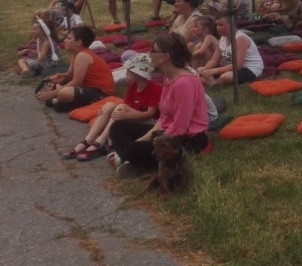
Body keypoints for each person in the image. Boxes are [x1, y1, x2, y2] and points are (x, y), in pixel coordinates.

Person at [108, 32, 209, 174]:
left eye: (153, 51)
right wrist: (146, 137)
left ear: (166, 57)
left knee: (133, 149)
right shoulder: (168, 78)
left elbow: (180, 127)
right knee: (117, 127)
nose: (149, 54)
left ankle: (139, 162)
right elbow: (163, 118)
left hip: (187, 138)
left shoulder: (184, 83)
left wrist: (151, 142)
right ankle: (135, 161)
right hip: (166, 131)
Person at [64, 53, 162, 161]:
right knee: (109, 105)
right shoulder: (133, 86)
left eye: (129, 71)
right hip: (135, 117)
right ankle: (88, 140)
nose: (126, 73)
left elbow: (150, 114)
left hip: (150, 122)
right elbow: (127, 105)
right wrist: (114, 112)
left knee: (121, 107)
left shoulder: (155, 89)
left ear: (138, 74)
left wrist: (125, 115)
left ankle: (100, 143)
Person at [34, 26, 115, 110]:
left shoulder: (83, 55)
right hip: (88, 89)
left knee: (64, 93)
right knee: (51, 82)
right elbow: (69, 75)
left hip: (102, 93)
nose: (65, 40)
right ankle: (59, 101)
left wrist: (52, 93)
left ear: (78, 42)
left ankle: (57, 100)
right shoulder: (77, 54)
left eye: (69, 38)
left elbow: (77, 82)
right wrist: (60, 77)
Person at [198, 16, 264, 86]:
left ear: (231, 25)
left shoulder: (240, 39)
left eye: (221, 25)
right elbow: (214, 60)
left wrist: (213, 71)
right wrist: (205, 69)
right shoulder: (222, 39)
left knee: (226, 77)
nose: (217, 27)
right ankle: (212, 82)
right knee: (199, 69)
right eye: (216, 25)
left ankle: (213, 83)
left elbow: (238, 65)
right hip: (231, 68)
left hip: (249, 68)